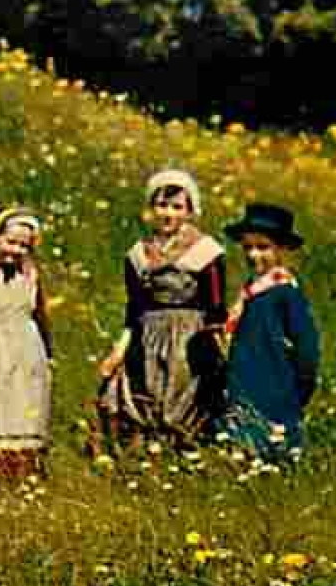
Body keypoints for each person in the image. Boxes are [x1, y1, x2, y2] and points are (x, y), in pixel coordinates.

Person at [96, 168, 227, 451]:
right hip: (148, 338)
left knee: (183, 404)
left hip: (189, 338)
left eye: (177, 206)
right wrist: (119, 350)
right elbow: (134, 309)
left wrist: (218, 350)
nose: (168, 213)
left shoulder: (206, 252)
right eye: (162, 205)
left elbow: (216, 308)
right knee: (142, 398)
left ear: (190, 211)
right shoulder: (138, 254)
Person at [219, 202, 321, 460]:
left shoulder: (285, 292)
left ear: (282, 249)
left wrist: (298, 391)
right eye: (248, 247)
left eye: (263, 247)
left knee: (273, 455)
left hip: (275, 391)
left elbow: (306, 347)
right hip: (243, 388)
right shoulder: (250, 291)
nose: (254, 255)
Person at [0, 206, 53, 481]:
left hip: (27, 348)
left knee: (28, 405)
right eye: (10, 242)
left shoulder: (31, 274)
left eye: (24, 245)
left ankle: (26, 470)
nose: (16, 250)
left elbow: (42, 314)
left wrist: (49, 352)